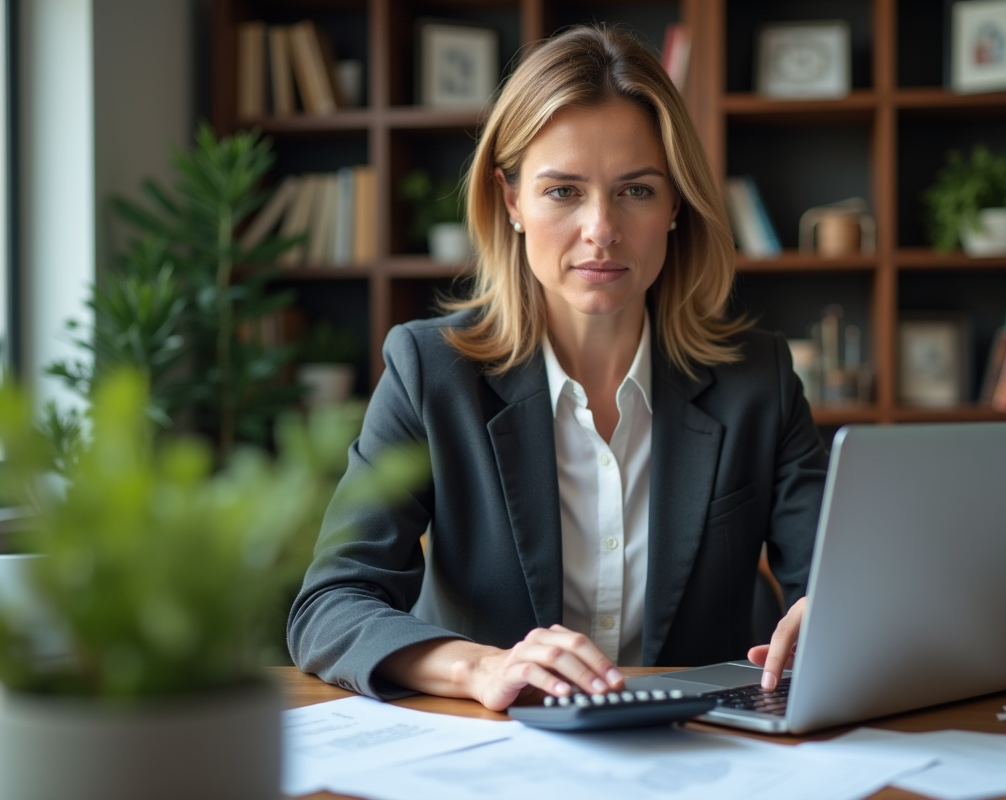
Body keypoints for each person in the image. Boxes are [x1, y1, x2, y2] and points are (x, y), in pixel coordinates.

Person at [287, 25, 827, 712]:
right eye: (563, 191)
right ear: (511, 201)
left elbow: (830, 585)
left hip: (699, 751)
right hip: (494, 751)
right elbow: (330, 606)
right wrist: (482, 668)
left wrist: (834, 615)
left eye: (635, 191)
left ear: (674, 207)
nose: (600, 228)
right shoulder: (429, 371)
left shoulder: (760, 381)